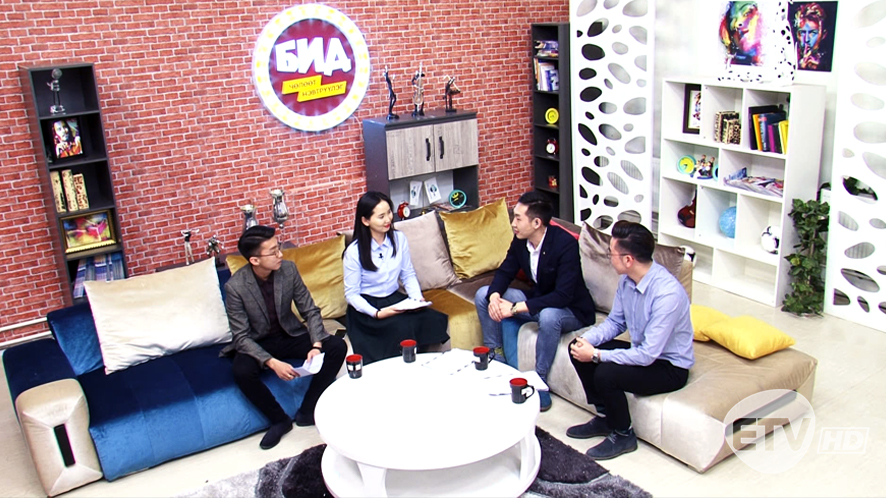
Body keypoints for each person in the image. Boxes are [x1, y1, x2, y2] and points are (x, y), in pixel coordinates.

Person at [566, 221, 694, 460]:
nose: (608, 258)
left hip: (668, 367)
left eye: (611, 253)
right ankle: (607, 417)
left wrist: (596, 355)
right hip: (643, 352)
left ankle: (623, 434)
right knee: (577, 348)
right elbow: (616, 323)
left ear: (628, 259)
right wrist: (586, 340)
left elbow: (647, 355)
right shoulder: (627, 280)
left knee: (606, 372)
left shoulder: (667, 294)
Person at [221, 225, 347, 450]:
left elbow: (310, 310)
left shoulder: (288, 270)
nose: (280, 254)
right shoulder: (236, 287)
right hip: (257, 341)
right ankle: (279, 420)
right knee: (241, 371)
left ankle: (308, 410)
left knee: (337, 346)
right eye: (273, 252)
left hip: (289, 334)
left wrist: (316, 345)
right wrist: (271, 362)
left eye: (278, 247)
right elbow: (241, 337)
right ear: (255, 260)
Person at [474, 191, 596, 411]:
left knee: (549, 316)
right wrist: (494, 296)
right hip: (538, 300)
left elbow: (563, 295)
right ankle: (496, 356)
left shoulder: (565, 244)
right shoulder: (522, 240)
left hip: (570, 309)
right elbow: (505, 271)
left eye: (518, 218)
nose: (513, 223)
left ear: (537, 222)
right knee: (483, 294)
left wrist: (515, 308)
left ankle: (539, 382)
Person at [343, 191, 449, 364]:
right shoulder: (354, 252)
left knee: (432, 319)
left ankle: (425, 364)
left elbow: (408, 274)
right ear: (365, 220)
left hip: (393, 299)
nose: (388, 220)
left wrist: (416, 299)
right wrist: (377, 314)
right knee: (402, 328)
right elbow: (351, 295)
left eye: (389, 213)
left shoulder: (399, 239)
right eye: (381, 216)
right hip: (368, 308)